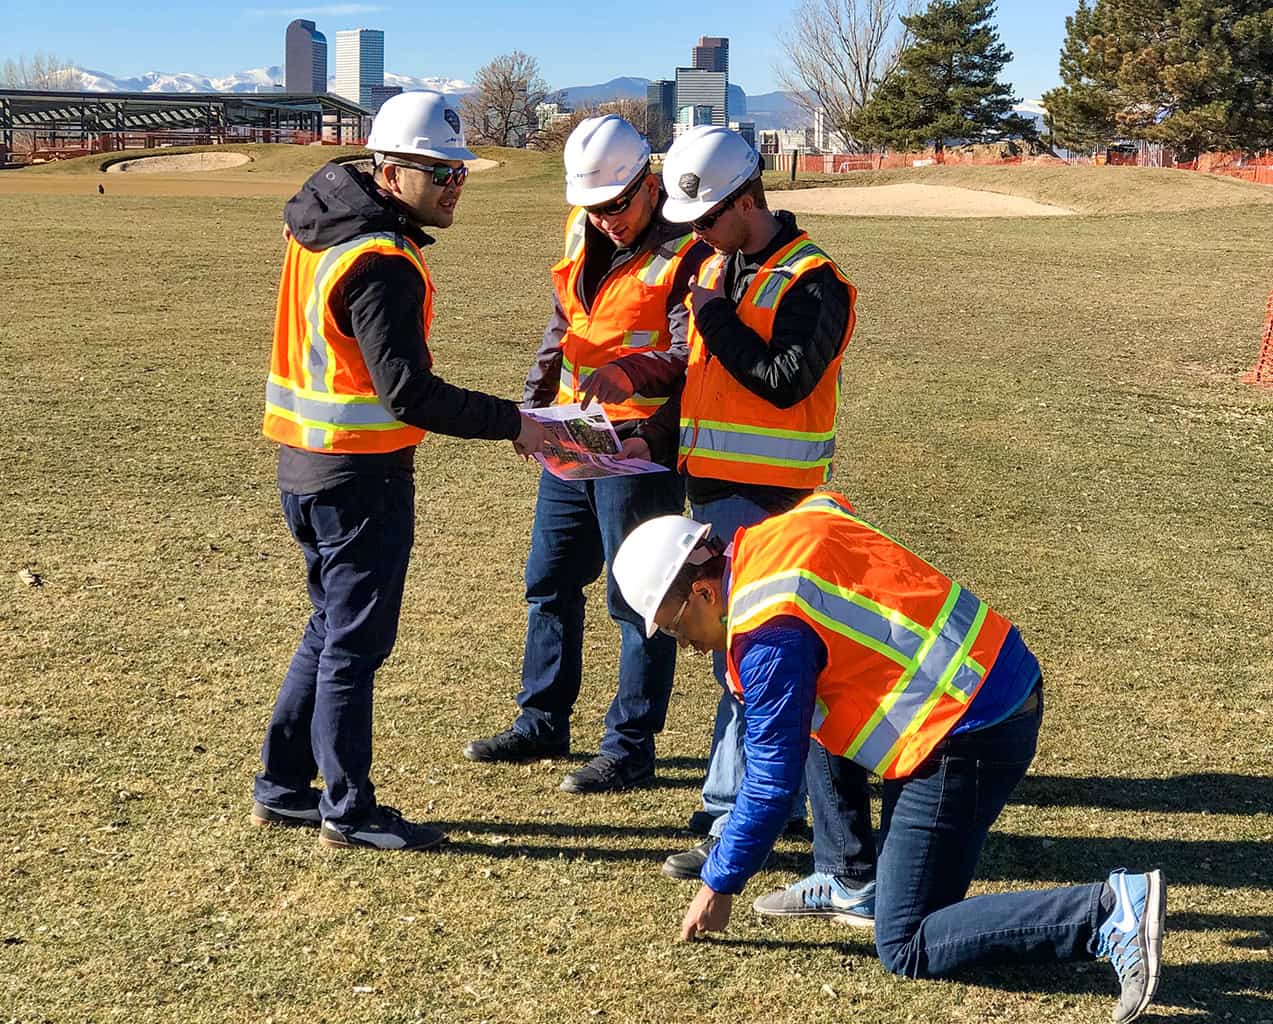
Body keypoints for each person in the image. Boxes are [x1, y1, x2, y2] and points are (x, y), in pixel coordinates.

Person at [611, 496, 1166, 1024]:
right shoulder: (771, 538)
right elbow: (834, 513)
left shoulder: (766, 636)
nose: (683, 645)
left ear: (705, 592)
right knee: (803, 713)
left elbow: (770, 782)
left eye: (676, 625)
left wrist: (719, 881)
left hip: (970, 730)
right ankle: (850, 876)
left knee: (906, 942)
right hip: (981, 684)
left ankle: (1107, 912)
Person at [250, 91, 547, 852]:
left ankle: (284, 788)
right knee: (352, 644)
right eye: (439, 171)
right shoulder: (380, 259)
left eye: (459, 172)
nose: (454, 185)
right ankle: (347, 811)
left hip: (307, 464)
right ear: (389, 172)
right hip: (359, 476)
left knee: (328, 630)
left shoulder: (324, 226)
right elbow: (408, 391)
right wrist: (516, 423)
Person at [620, 125, 873, 896]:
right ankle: (755, 805)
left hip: (773, 499)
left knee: (752, 665)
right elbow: (707, 384)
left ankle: (735, 814)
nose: (694, 234)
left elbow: (784, 379)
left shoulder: (813, 279)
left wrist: (715, 316)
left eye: (705, 219)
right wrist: (647, 430)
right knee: (743, 665)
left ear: (747, 200)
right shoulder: (720, 265)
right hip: (716, 490)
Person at [464, 115, 709, 793]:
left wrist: (635, 377)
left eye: (617, 206)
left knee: (638, 602)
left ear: (648, 183)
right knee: (548, 581)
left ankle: (630, 747)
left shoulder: (689, 247)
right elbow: (564, 321)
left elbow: (695, 356)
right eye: (592, 209)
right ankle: (542, 719)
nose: (606, 221)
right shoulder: (583, 228)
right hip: (573, 437)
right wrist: (531, 404)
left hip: (640, 449)